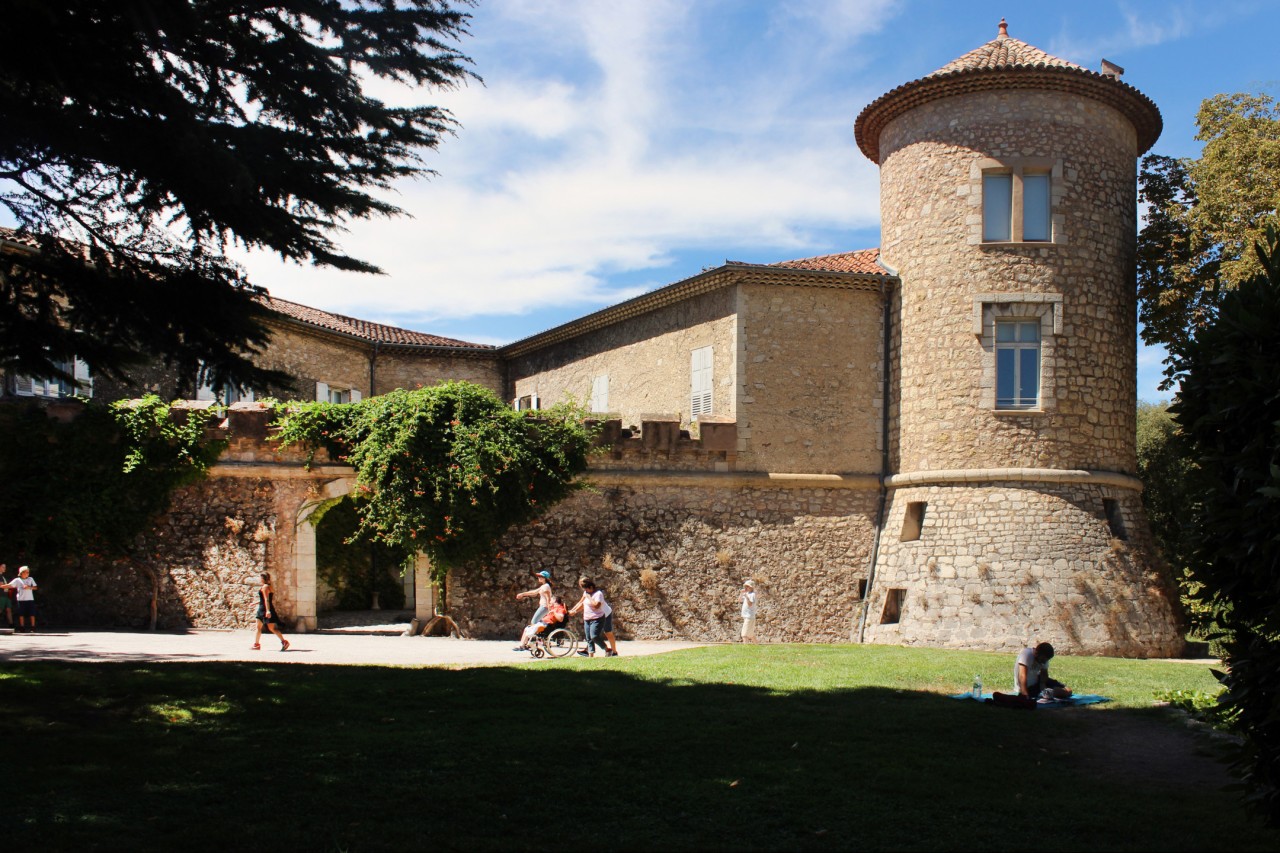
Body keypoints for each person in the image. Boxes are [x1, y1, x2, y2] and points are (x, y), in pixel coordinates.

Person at [569, 576, 615, 657]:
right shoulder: (586, 593)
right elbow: (581, 603)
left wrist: (589, 597)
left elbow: (596, 605)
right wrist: (573, 611)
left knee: (605, 633)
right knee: (589, 637)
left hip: (604, 614)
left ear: (590, 586)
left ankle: (613, 651)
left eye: (585, 588)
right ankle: (590, 654)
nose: (585, 591)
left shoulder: (598, 594)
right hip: (589, 617)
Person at [252, 572, 290, 651]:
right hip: (262, 608)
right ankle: (256, 644)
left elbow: (267, 599)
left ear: (263, 578)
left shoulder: (265, 587)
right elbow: (263, 600)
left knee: (271, 628)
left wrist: (268, 611)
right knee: (258, 627)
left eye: (260, 578)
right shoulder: (269, 586)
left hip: (265, 609)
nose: (259, 579)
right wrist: (255, 603)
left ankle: (284, 642)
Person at [10, 566, 37, 634]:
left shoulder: (30, 579)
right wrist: (2, 586)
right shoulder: (17, 580)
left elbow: (35, 587)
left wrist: (29, 587)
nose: (28, 574)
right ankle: (22, 628)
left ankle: (33, 628)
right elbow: (10, 585)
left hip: (30, 599)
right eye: (26, 572)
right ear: (22, 573)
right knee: (21, 614)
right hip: (21, 599)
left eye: (28, 572)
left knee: (32, 614)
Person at [0, 564, 14, 631]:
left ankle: (11, 624)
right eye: (3, 567)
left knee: (9, 609)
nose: (4, 568)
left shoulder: (3, 576)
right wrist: (10, 586)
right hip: (1, 595)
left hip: (6, 595)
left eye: (5, 567)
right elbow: (1, 585)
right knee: (0, 609)